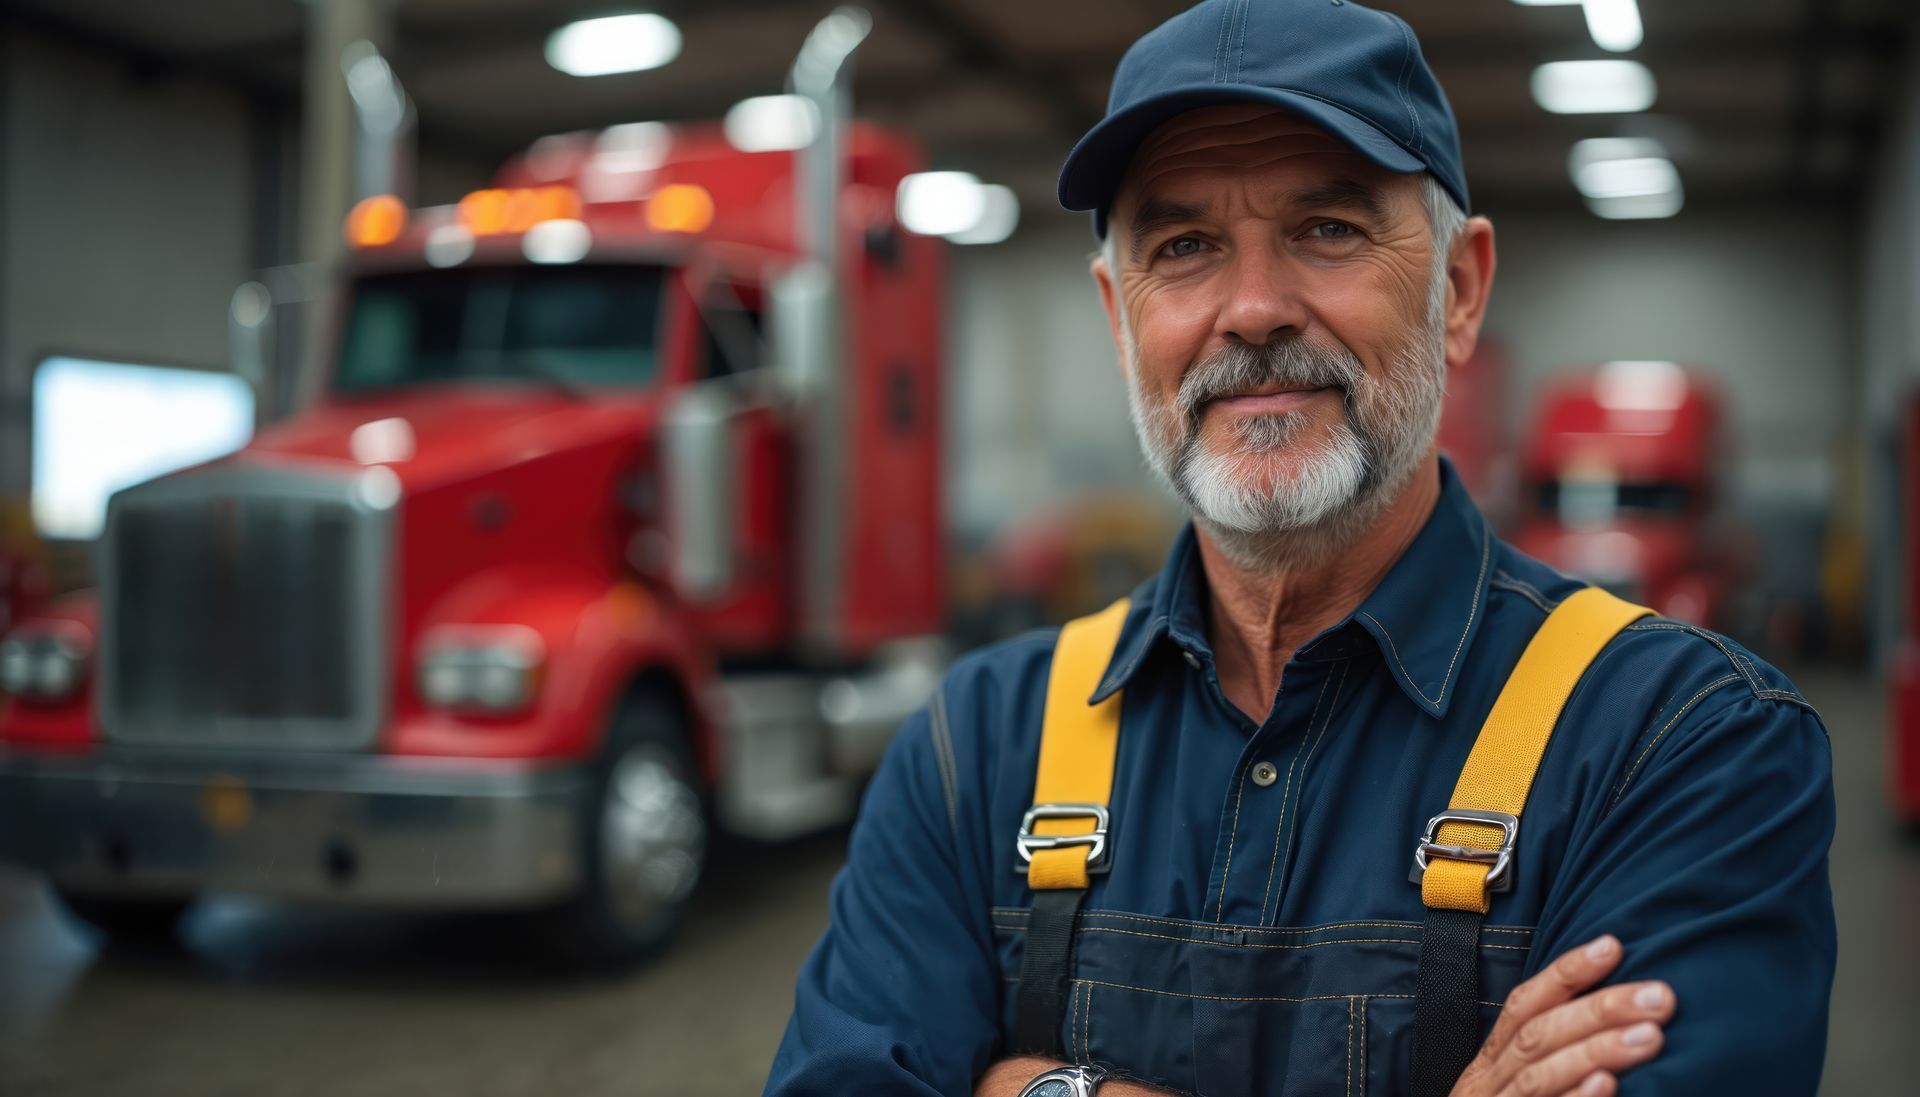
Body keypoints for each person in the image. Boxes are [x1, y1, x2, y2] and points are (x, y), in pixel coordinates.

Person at [762, 1, 1836, 1094]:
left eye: (1328, 230)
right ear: (1118, 315)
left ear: (1456, 289)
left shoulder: (1680, 742)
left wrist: (1031, 1084)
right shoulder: (978, 748)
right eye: (1184, 247)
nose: (1256, 309)